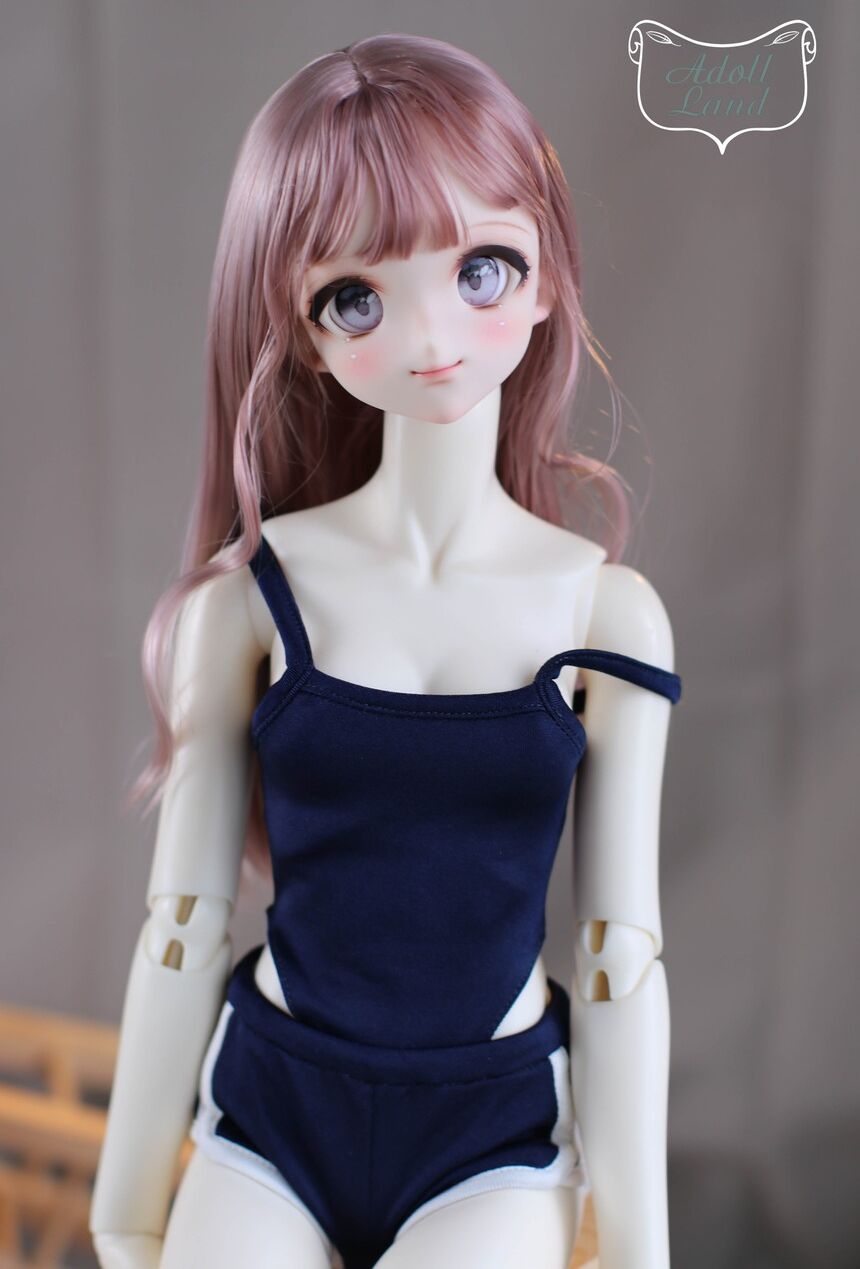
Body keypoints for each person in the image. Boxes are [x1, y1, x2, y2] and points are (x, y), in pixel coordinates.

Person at [89, 33, 682, 1269]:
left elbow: (617, 955)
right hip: (272, 1107)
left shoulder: (602, 618)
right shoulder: (250, 602)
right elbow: (182, 921)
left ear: (545, 278)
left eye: (481, 268)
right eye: (355, 297)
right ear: (304, 332)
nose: (430, 334)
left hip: (489, 1126)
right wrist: (126, 1209)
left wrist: (635, 1246)